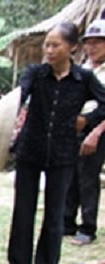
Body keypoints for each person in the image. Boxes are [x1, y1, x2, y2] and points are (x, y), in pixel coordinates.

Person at [5, 23, 105, 264]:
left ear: (72, 47)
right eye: (46, 45)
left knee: (55, 212)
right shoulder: (35, 73)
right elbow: (20, 95)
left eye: (55, 45)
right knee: (23, 210)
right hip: (30, 148)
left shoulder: (84, 79)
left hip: (63, 153)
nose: (49, 50)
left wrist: (88, 119)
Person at [65, 19, 105, 246]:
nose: (92, 47)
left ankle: (87, 227)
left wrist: (96, 132)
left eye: (98, 42)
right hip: (76, 125)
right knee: (70, 175)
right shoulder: (84, 69)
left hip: (98, 128)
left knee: (89, 178)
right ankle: (67, 222)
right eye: (89, 43)